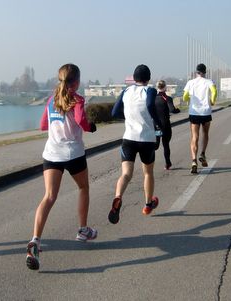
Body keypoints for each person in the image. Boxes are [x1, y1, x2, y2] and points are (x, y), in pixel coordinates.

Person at [26, 63, 97, 271]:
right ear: (76, 82)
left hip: (52, 153)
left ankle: (35, 241)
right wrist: (90, 127)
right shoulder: (77, 99)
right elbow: (81, 121)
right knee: (83, 188)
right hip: (73, 153)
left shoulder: (51, 100)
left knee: (49, 196)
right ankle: (83, 230)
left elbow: (42, 125)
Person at [108, 64, 163, 225]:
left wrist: (129, 118)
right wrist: (157, 124)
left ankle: (118, 197)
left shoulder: (126, 91)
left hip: (129, 139)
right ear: (148, 78)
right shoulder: (150, 91)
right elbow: (150, 105)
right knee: (148, 173)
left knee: (126, 174)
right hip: (146, 139)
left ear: (134, 77)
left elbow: (114, 112)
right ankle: (147, 205)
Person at [183, 63, 217, 174]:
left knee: (194, 136)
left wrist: (188, 99)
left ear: (196, 72)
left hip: (194, 112)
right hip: (206, 112)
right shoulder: (209, 82)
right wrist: (212, 101)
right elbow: (214, 92)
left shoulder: (190, 82)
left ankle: (194, 160)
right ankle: (202, 153)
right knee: (205, 134)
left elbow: (185, 96)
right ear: (205, 72)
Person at [154, 80, 180, 170]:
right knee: (166, 145)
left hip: (156, 126)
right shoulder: (167, 98)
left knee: (156, 145)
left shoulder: (153, 98)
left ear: (157, 87)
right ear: (165, 87)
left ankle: (148, 160)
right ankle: (167, 164)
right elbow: (172, 110)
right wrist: (178, 110)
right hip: (165, 126)